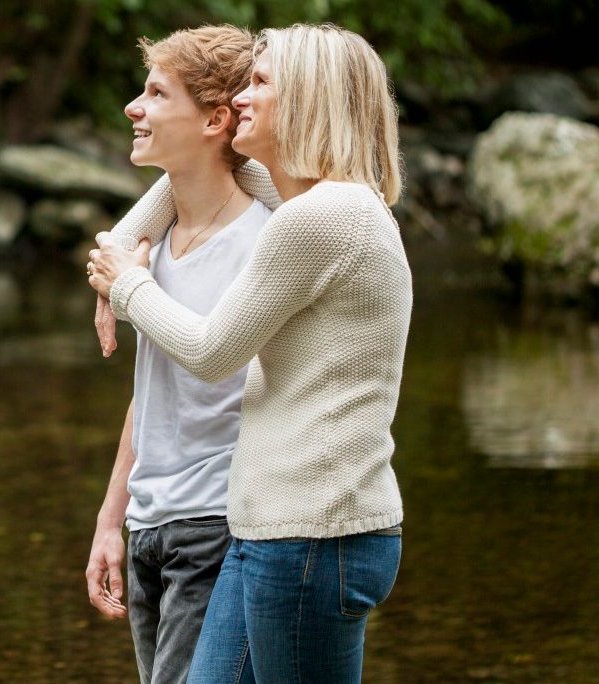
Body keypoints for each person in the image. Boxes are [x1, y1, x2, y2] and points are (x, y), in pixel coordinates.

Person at [87, 23, 410, 683]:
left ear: (307, 100)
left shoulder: (319, 218)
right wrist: (121, 255)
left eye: (260, 84)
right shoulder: (321, 204)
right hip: (270, 528)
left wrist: (126, 285)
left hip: (315, 534)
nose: (242, 99)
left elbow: (209, 353)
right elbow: (200, 176)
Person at [83, 25, 278, 684]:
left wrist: (125, 287)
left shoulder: (266, 242)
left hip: (219, 528)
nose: (134, 108)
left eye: (156, 94)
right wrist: (112, 521)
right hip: (150, 526)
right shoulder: (153, 247)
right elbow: (152, 394)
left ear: (215, 119)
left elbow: (214, 359)